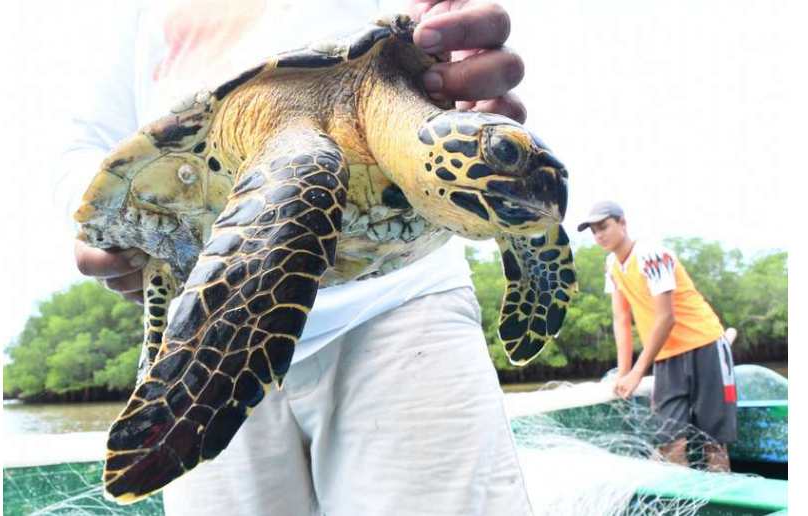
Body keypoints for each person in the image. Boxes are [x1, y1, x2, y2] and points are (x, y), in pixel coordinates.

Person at [66, 1, 533, 514]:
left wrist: (462, 68)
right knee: (308, 168)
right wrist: (104, 223)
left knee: (326, 165)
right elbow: (83, 138)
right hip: (206, 307)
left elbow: (465, 70)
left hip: (405, 310)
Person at [577, 201, 737, 472]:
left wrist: (638, 372)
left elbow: (666, 318)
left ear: (623, 223)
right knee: (669, 444)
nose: (599, 235)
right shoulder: (612, 265)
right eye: (593, 231)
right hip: (665, 355)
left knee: (714, 443)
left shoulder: (651, 254)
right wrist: (623, 372)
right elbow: (621, 319)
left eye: (604, 227)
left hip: (705, 345)